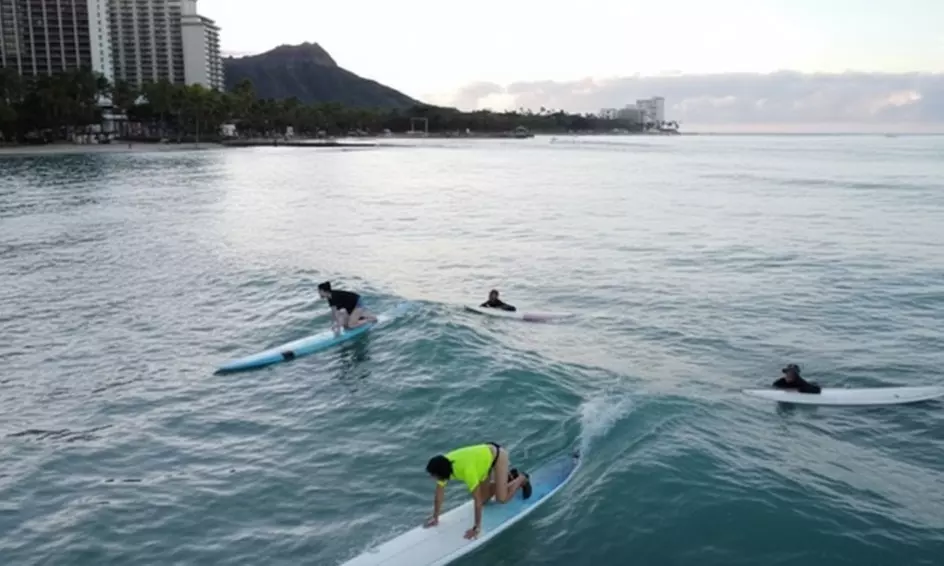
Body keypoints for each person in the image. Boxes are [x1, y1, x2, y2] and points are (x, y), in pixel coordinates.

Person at [424, 443, 532, 540]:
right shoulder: (444, 467)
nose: (432, 477)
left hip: (497, 456)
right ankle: (507, 478)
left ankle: (522, 478)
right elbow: (439, 496)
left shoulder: (467, 471)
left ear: (440, 472)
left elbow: (477, 501)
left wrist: (476, 527)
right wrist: (435, 517)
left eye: (433, 475)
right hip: (482, 464)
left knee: (501, 499)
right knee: (485, 500)